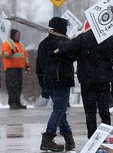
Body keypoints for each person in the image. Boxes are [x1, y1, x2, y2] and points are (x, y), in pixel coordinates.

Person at [56, 21, 113, 139]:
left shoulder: (83, 38)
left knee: (90, 111)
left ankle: (92, 137)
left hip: (87, 80)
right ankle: (105, 135)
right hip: (104, 80)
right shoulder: (110, 39)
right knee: (104, 110)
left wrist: (60, 44)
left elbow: (68, 48)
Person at [36, 17, 76, 152]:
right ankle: (48, 138)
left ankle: (69, 139)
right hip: (61, 82)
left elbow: (39, 68)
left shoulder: (42, 44)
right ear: (60, 28)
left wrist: (43, 85)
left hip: (49, 83)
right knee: (59, 110)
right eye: (64, 27)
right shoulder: (63, 42)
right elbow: (72, 57)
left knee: (61, 111)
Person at [1, 29, 30, 109]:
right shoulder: (7, 44)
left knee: (18, 87)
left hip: (19, 69)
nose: (18, 36)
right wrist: (12, 51)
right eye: (17, 35)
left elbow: (25, 56)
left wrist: (27, 66)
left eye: (19, 35)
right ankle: (12, 103)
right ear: (13, 35)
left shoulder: (21, 45)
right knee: (12, 87)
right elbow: (5, 54)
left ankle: (17, 102)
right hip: (10, 69)